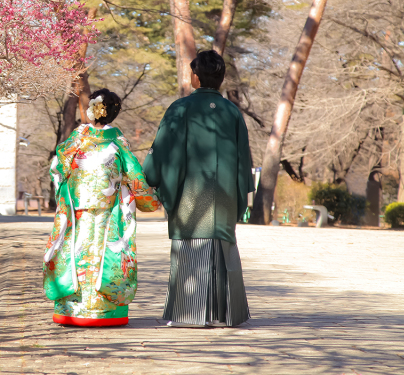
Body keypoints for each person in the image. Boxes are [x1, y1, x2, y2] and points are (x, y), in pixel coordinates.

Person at [142, 49, 255, 328]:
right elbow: (244, 158)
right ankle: (226, 314)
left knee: (191, 246)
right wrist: (241, 192)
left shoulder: (180, 109)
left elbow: (163, 153)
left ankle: (188, 313)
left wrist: (152, 175)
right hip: (226, 193)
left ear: (196, 76)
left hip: (189, 193)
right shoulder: (232, 112)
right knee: (224, 249)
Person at [44, 89, 160, 327]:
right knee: (105, 258)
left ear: (90, 110)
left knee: (75, 256)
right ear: (114, 114)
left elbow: (56, 169)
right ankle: (104, 312)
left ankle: (72, 311)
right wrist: (151, 200)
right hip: (109, 215)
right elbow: (135, 176)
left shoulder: (75, 140)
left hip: (75, 214)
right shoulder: (118, 143)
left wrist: (67, 191)